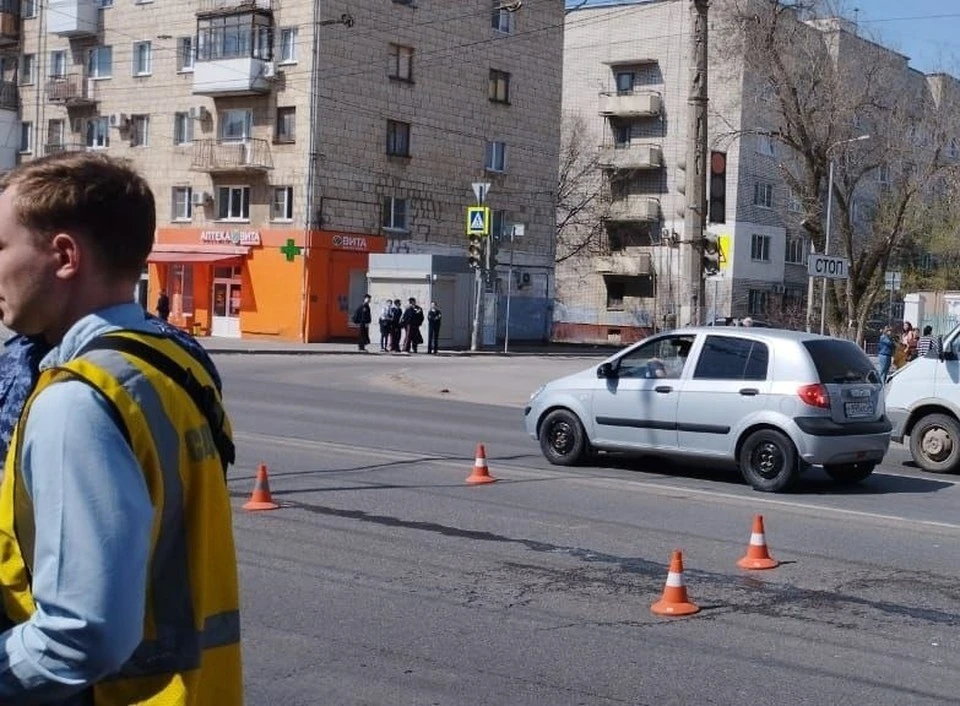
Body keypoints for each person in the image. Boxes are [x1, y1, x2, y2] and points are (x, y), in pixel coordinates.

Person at [0, 152, 242, 703]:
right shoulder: (174, 361)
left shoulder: (77, 398)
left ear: (64, 255)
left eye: (0, 248)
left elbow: (84, 634)